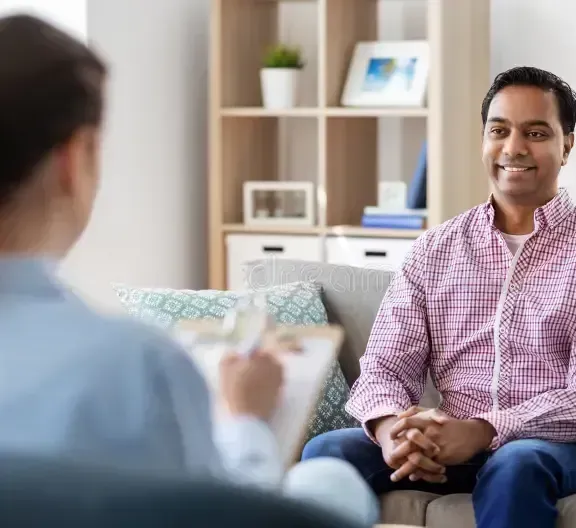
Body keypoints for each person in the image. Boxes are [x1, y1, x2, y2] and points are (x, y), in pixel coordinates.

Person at [0, 14, 376, 527]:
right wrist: (245, 421)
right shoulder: (133, 365)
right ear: (75, 159)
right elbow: (222, 515)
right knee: (331, 484)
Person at [302, 65, 576, 528]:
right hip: (452, 442)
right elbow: (384, 367)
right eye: (499, 131)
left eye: (536, 133)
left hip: (565, 449)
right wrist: (392, 431)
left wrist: (485, 430)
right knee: (327, 453)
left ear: (567, 145)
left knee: (516, 462)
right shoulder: (434, 249)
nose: (513, 148)